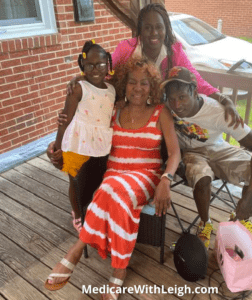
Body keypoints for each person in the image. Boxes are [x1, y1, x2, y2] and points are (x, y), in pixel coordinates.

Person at [44, 57, 181, 299]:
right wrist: (59, 143)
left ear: (152, 87)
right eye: (131, 83)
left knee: (111, 190)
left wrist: (166, 179)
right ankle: (118, 273)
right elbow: (84, 123)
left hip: (145, 176)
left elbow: (174, 153)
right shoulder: (113, 109)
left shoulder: (161, 113)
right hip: (114, 175)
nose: (137, 88)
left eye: (144, 83)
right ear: (123, 85)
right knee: (112, 191)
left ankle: (76, 250)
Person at [66, 3, 243, 127]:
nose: (154, 32)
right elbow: (105, 75)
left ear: (166, 29)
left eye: (159, 27)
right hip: (127, 110)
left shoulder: (174, 51)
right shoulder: (126, 49)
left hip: (160, 112)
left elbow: (195, 79)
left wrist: (224, 99)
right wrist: (82, 78)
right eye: (148, 27)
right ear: (140, 30)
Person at [160, 66, 252, 249]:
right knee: (202, 178)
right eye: (172, 99)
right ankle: (205, 222)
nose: (177, 105)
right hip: (190, 154)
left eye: (182, 97)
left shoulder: (218, 112)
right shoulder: (166, 109)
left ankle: (240, 219)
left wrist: (251, 195)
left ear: (195, 92)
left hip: (217, 149)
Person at [50, 40, 116, 232]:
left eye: (100, 64)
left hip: (100, 144)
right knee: (75, 182)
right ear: (83, 66)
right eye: (90, 65)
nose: (95, 69)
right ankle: (78, 215)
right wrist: (58, 146)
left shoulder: (112, 90)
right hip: (77, 142)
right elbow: (65, 119)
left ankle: (94, 211)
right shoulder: (78, 88)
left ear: (107, 65)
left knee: (96, 181)